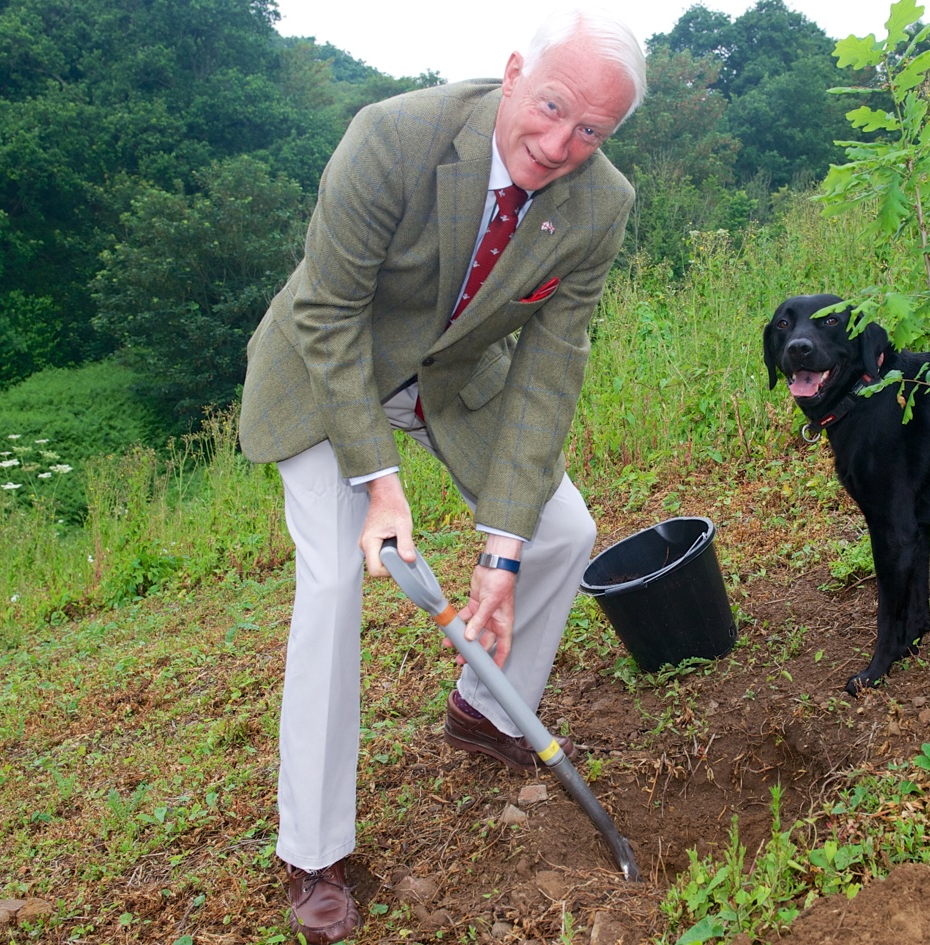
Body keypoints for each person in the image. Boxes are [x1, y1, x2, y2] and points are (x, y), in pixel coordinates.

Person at [236, 8, 645, 943]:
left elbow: (548, 375)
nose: (559, 143)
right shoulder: (393, 137)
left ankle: (484, 707)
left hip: (449, 381)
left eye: (592, 131)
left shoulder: (600, 204)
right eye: (550, 108)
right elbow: (329, 314)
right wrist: (379, 485)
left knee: (562, 530)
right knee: (339, 577)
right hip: (327, 372)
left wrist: (499, 556)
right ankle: (313, 850)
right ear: (512, 73)